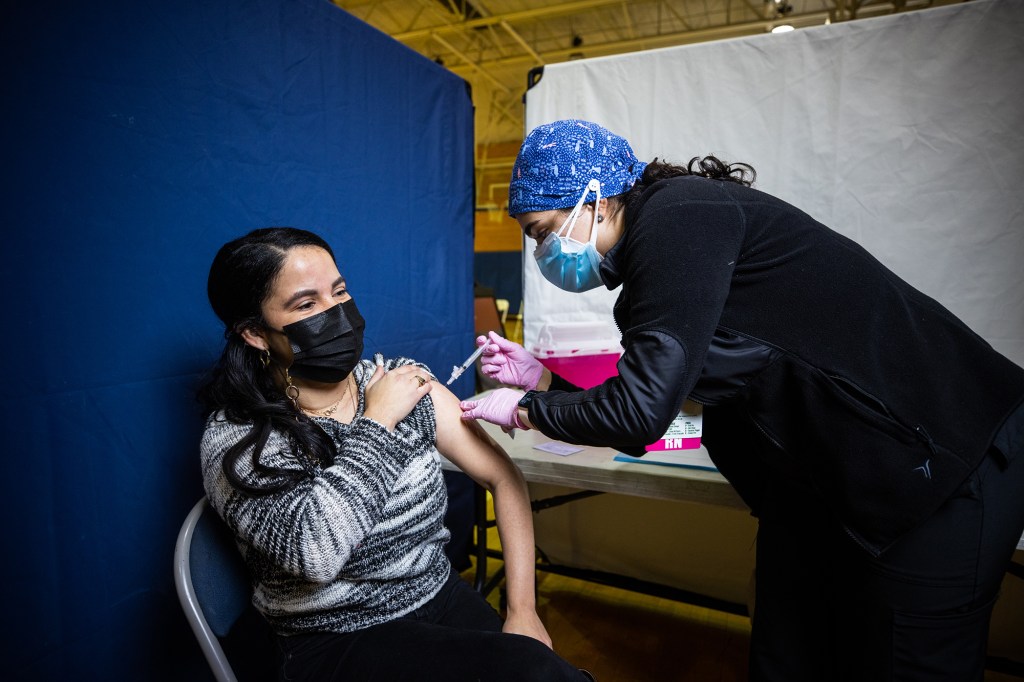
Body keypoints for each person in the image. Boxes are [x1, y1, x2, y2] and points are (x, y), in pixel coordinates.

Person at [460, 119, 1024, 682]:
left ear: (596, 200)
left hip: (939, 461)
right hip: (827, 488)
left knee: (906, 662)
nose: (541, 252)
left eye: (541, 231)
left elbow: (640, 409)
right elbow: (645, 415)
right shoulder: (671, 245)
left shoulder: (680, 217)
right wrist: (542, 382)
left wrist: (522, 410)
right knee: (789, 645)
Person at [197, 227, 592, 681]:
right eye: (306, 304)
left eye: (339, 291)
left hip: (438, 596)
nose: (336, 313)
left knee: (546, 668)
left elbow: (504, 477)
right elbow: (317, 555)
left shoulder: (405, 385)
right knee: (532, 673)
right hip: (336, 638)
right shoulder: (239, 439)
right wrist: (378, 422)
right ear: (255, 334)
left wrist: (523, 609)